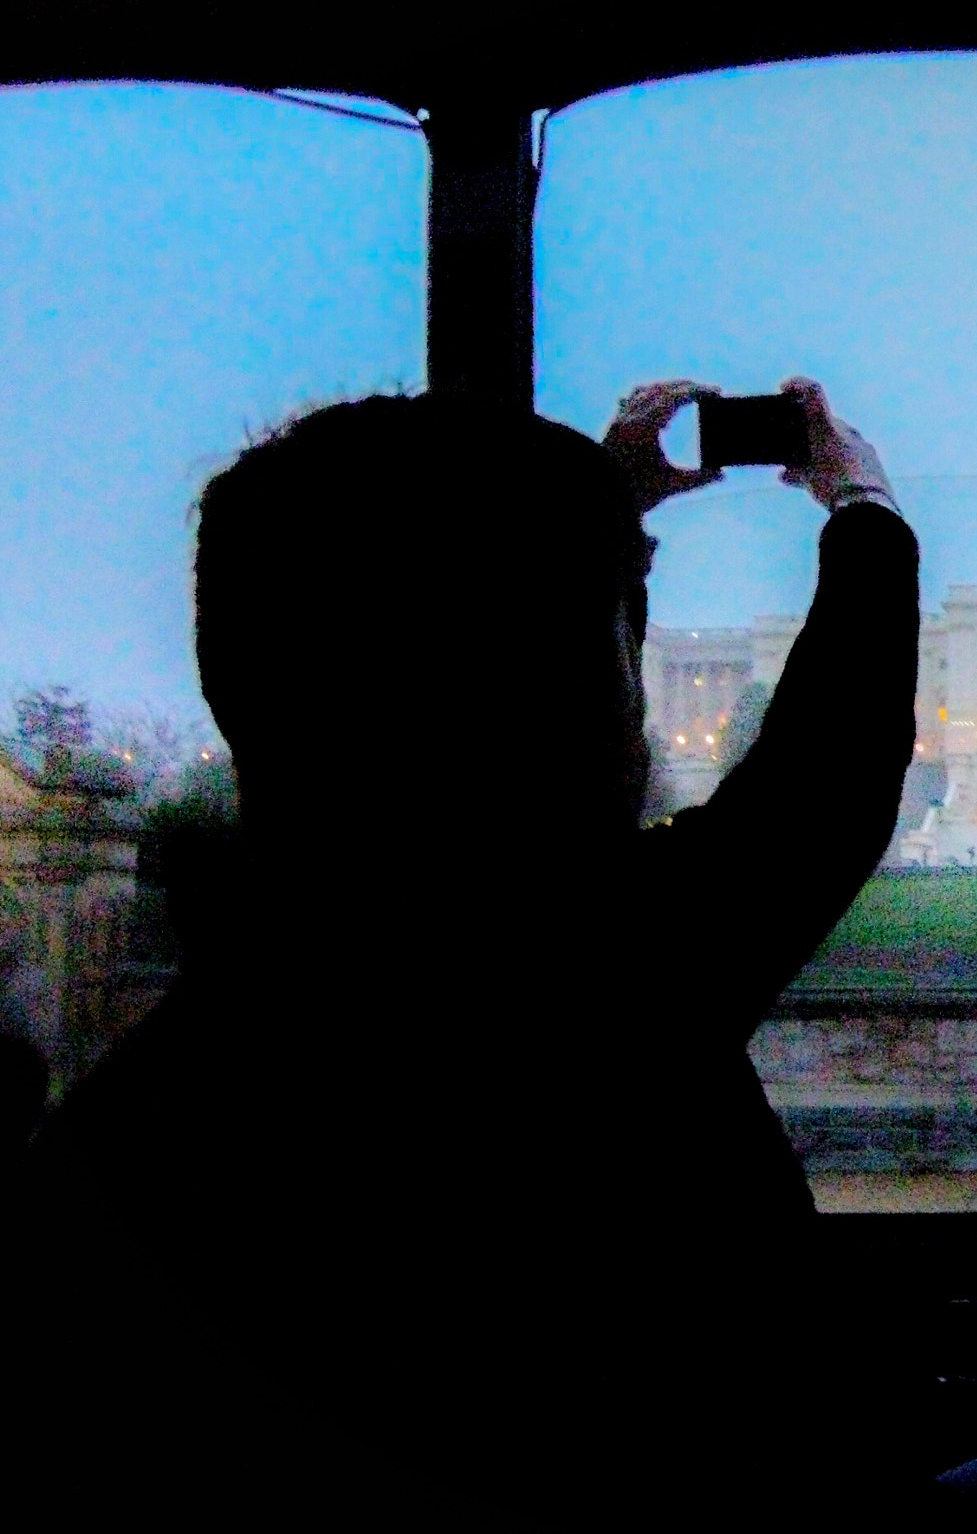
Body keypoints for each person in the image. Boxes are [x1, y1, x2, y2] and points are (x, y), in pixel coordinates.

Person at [8, 378, 924, 1519]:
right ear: (572, 696)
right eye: (606, 646)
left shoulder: (126, 1133)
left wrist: (599, 525)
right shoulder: (595, 980)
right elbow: (829, 772)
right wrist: (864, 504)